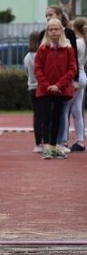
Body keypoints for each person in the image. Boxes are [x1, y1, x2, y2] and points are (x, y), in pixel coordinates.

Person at [35, 18, 76, 159]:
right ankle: (46, 146)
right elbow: (37, 70)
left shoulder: (68, 48)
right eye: (51, 29)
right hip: (45, 89)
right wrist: (47, 86)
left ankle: (55, 145)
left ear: (61, 30)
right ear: (47, 31)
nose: (54, 32)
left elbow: (72, 69)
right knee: (46, 117)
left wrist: (58, 85)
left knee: (58, 117)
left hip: (61, 89)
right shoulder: (42, 48)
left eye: (56, 29)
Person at [58, 16, 87, 152]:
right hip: (82, 75)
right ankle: (80, 141)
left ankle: (63, 141)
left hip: (76, 77)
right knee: (77, 111)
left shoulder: (77, 42)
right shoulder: (84, 42)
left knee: (65, 109)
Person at [23, 30, 44, 153]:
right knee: (47, 115)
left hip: (32, 87)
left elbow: (27, 72)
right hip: (42, 87)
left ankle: (38, 143)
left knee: (37, 115)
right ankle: (47, 140)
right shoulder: (42, 55)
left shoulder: (27, 57)